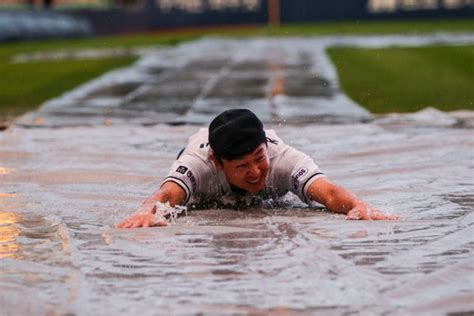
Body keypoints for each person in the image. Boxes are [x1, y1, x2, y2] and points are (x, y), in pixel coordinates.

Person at [118, 109, 398, 228]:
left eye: (258, 158)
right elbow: (166, 194)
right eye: (241, 166)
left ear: (265, 144)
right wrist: (146, 213)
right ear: (218, 163)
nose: (255, 172)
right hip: (197, 151)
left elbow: (329, 192)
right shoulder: (199, 165)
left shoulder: (282, 159)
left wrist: (357, 205)